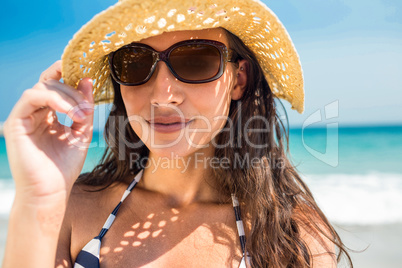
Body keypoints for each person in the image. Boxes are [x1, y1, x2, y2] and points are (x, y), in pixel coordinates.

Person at [2, 0, 352, 267]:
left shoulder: (293, 234)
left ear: (238, 79)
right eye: (136, 63)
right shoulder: (71, 210)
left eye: (197, 60)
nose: (163, 94)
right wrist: (38, 198)